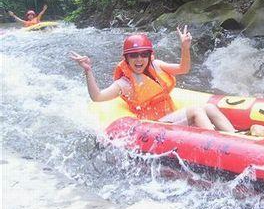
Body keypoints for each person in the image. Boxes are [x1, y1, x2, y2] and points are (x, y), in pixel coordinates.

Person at [70, 27, 235, 132]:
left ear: (150, 56)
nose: (139, 59)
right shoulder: (125, 83)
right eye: (133, 55)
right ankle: (218, 146)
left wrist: (185, 48)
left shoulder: (157, 65)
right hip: (154, 126)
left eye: (143, 54)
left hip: (171, 116)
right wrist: (88, 71)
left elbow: (183, 69)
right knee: (196, 110)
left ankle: (235, 137)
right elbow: (97, 97)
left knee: (210, 107)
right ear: (127, 59)